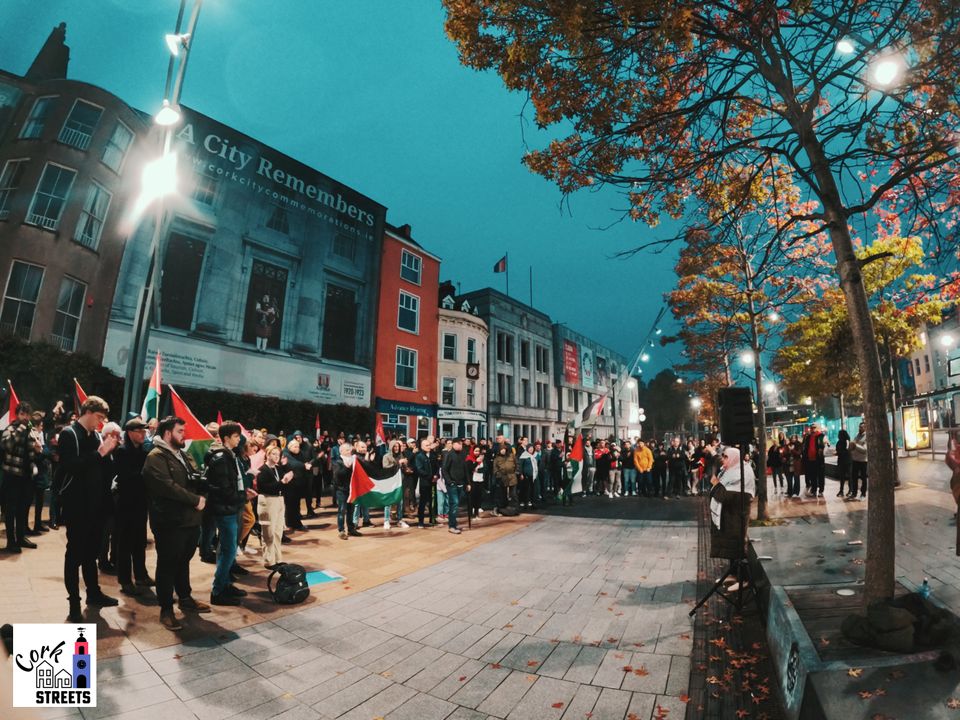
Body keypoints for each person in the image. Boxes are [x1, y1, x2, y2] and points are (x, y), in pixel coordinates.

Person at [142, 416, 209, 631]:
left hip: (189, 519)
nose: (184, 435)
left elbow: (194, 478)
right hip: (169, 521)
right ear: (168, 433)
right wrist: (195, 499)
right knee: (168, 564)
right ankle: (166, 609)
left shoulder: (183, 455)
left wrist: (204, 489)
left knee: (183, 561)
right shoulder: (156, 456)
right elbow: (166, 486)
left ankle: (185, 598)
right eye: (180, 431)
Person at [57, 397, 119, 623]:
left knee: (92, 553)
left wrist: (110, 451)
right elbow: (70, 466)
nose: (101, 423)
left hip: (96, 505)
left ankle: (93, 593)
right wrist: (100, 453)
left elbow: (102, 469)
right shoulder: (69, 434)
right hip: (77, 505)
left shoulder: (94, 436)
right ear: (88, 412)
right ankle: (74, 601)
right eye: (99, 417)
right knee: (74, 554)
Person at [204, 422, 247, 606]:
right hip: (225, 509)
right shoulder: (222, 457)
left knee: (227, 550)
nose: (239, 439)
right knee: (228, 551)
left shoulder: (229, 455)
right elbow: (224, 489)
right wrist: (241, 497)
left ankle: (225, 584)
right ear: (227, 438)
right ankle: (218, 590)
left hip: (229, 507)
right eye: (237, 436)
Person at [114, 418, 153, 596]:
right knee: (125, 544)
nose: (143, 434)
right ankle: (125, 580)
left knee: (139, 542)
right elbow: (125, 477)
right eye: (140, 431)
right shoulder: (122, 451)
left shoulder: (144, 451)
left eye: (144, 432)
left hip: (140, 503)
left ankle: (141, 575)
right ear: (130, 433)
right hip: (126, 503)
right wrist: (145, 476)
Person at [1, 402, 40, 552]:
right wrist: (22, 428)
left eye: (27, 414)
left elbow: (31, 453)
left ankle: (21, 537)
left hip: (26, 476)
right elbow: (7, 445)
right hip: (12, 476)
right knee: (11, 510)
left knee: (23, 509)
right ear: (17, 415)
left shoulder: (31, 431)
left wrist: (37, 450)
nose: (25, 417)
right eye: (22, 414)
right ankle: (11, 542)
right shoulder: (11, 428)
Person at [708, 446, 756, 563]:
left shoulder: (739, 472)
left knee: (735, 548)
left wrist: (715, 484)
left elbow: (723, 495)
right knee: (731, 548)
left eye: (726, 457)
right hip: (731, 515)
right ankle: (734, 574)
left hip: (735, 516)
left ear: (733, 458)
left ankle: (739, 576)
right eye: (723, 456)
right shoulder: (733, 469)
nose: (723, 459)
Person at [256, 445, 291, 568]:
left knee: (277, 531)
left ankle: (277, 558)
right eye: (274, 454)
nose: (276, 457)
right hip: (268, 500)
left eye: (278, 454)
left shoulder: (278, 469)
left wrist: (285, 479)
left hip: (279, 500)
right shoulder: (262, 470)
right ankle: (269, 560)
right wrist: (282, 482)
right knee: (268, 532)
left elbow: (282, 485)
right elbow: (266, 488)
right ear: (267, 454)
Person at [28, 413, 52, 535]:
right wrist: (41, 452)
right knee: (28, 502)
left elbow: (47, 451)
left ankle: (37, 523)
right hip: (34, 475)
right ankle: (25, 527)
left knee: (40, 502)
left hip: (42, 474)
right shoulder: (31, 437)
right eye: (41, 425)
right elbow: (36, 457)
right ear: (36, 426)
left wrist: (42, 451)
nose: (42, 428)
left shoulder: (41, 437)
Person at [332, 443, 362, 538]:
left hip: (351, 489)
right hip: (341, 490)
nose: (349, 452)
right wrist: (348, 467)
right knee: (342, 510)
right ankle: (341, 530)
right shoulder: (338, 462)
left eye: (350, 450)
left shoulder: (354, 460)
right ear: (341, 451)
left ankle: (351, 529)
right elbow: (337, 475)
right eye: (347, 450)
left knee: (351, 510)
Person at [441, 438, 468, 533]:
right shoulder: (449, 455)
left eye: (461, 444)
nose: (460, 445)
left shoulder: (463, 454)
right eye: (458, 444)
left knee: (456, 504)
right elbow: (444, 469)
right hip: (452, 484)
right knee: (454, 503)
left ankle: (454, 523)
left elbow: (466, 469)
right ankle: (452, 526)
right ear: (453, 444)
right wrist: (449, 481)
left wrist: (468, 483)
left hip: (461, 483)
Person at [415, 437, 437, 528]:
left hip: (433, 481)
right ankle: (421, 521)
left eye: (429, 445)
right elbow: (419, 470)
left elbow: (436, 466)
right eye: (427, 445)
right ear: (422, 446)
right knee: (423, 502)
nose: (429, 447)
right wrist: (430, 476)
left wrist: (436, 476)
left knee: (433, 501)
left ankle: (432, 519)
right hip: (424, 482)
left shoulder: (432, 455)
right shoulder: (419, 456)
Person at [492, 442, 517, 512]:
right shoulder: (497, 459)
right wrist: (499, 475)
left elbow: (516, 464)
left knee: (513, 494)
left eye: (504, 449)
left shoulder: (512, 456)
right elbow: (495, 469)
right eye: (501, 449)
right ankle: (503, 507)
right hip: (502, 478)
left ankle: (514, 507)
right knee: (503, 494)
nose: (503, 450)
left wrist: (516, 472)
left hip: (512, 477)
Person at [804, 424, 826, 497]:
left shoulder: (821, 436)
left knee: (820, 476)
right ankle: (814, 490)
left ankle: (821, 490)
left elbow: (825, 446)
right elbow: (806, 448)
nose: (812, 429)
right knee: (813, 476)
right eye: (811, 428)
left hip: (819, 460)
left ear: (817, 428)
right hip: (810, 460)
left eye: (814, 427)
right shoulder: (808, 437)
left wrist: (822, 451)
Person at [849, 423, 868, 499]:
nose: (860, 428)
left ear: (865, 428)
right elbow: (852, 445)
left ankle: (863, 494)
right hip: (855, 460)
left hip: (863, 461)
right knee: (854, 477)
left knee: (863, 478)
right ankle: (854, 493)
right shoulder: (857, 435)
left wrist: (855, 445)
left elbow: (864, 450)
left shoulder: (866, 437)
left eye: (862, 427)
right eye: (859, 427)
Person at [836, 428, 851, 498]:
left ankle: (851, 490)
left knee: (849, 476)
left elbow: (847, 450)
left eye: (839, 434)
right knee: (842, 477)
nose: (838, 436)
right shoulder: (839, 442)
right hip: (841, 461)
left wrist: (839, 452)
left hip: (847, 461)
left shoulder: (847, 441)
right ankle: (841, 490)